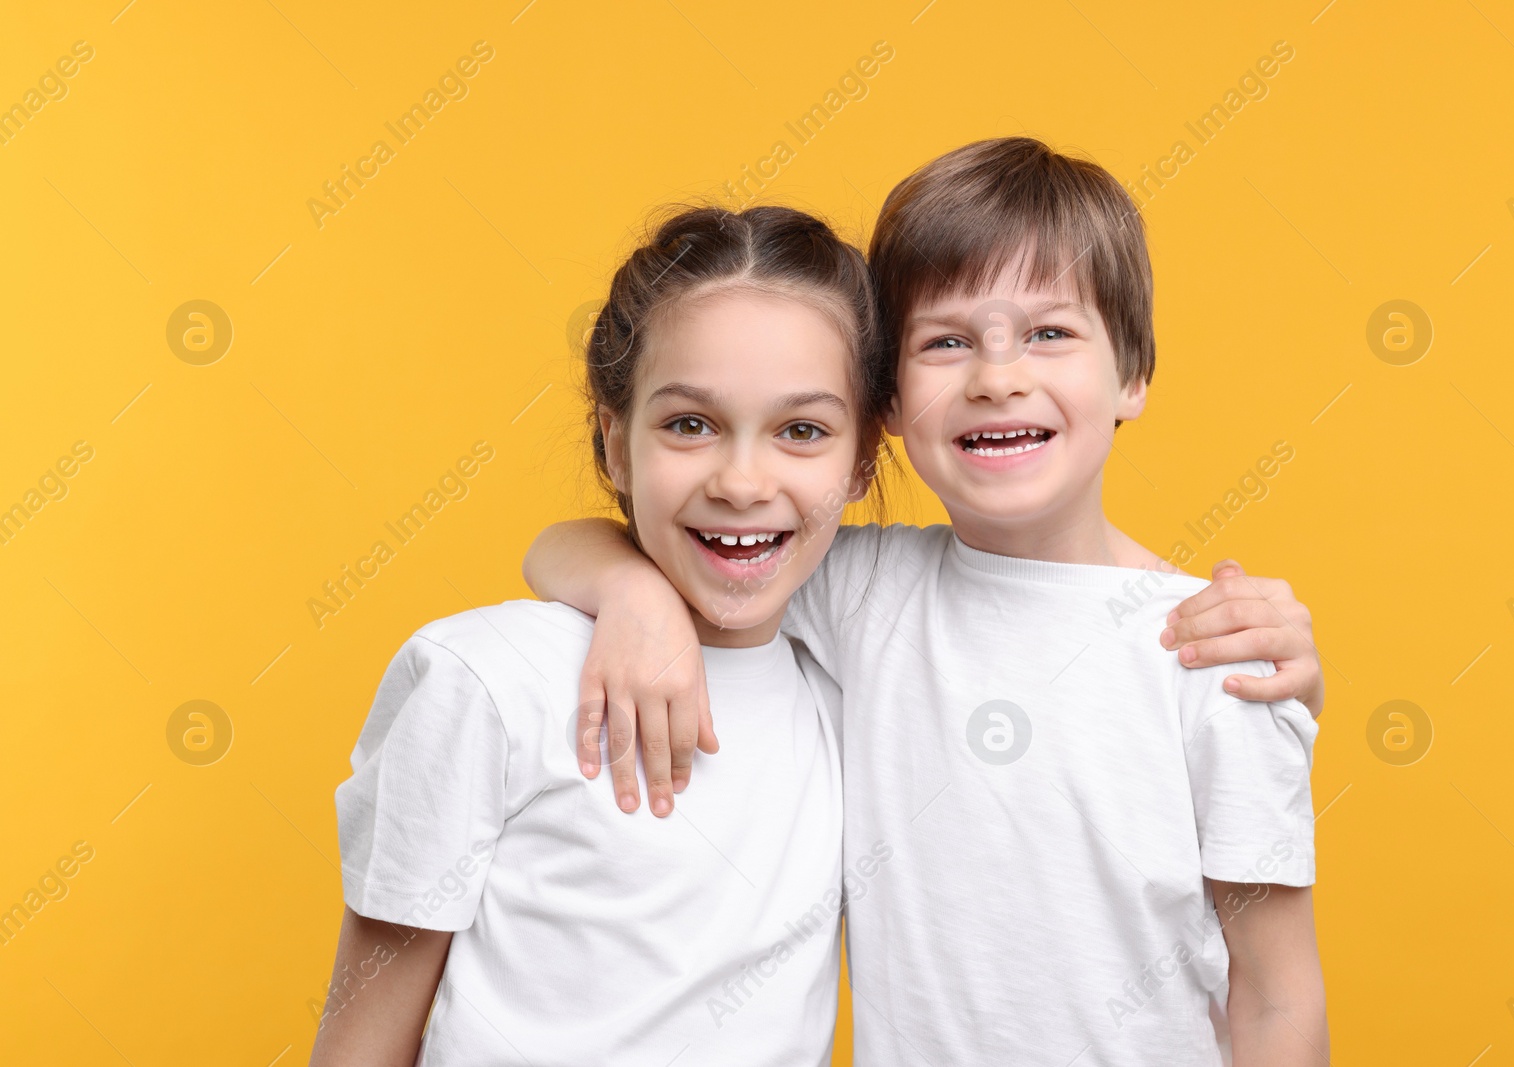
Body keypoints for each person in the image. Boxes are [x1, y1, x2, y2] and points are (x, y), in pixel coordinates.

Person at [525, 137, 1329, 1065]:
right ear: (891, 403)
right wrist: (635, 597)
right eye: (946, 341)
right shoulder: (864, 589)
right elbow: (580, 543)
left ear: (1134, 374)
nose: (997, 377)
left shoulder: (1217, 648)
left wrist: (1296, 682)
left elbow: (1276, 995)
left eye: (1050, 332)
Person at [309, 203, 895, 1066]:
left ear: (863, 461)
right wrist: (631, 591)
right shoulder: (487, 681)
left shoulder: (860, 687)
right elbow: (360, 1041)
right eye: (688, 424)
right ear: (613, 446)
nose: (741, 481)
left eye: (801, 429)